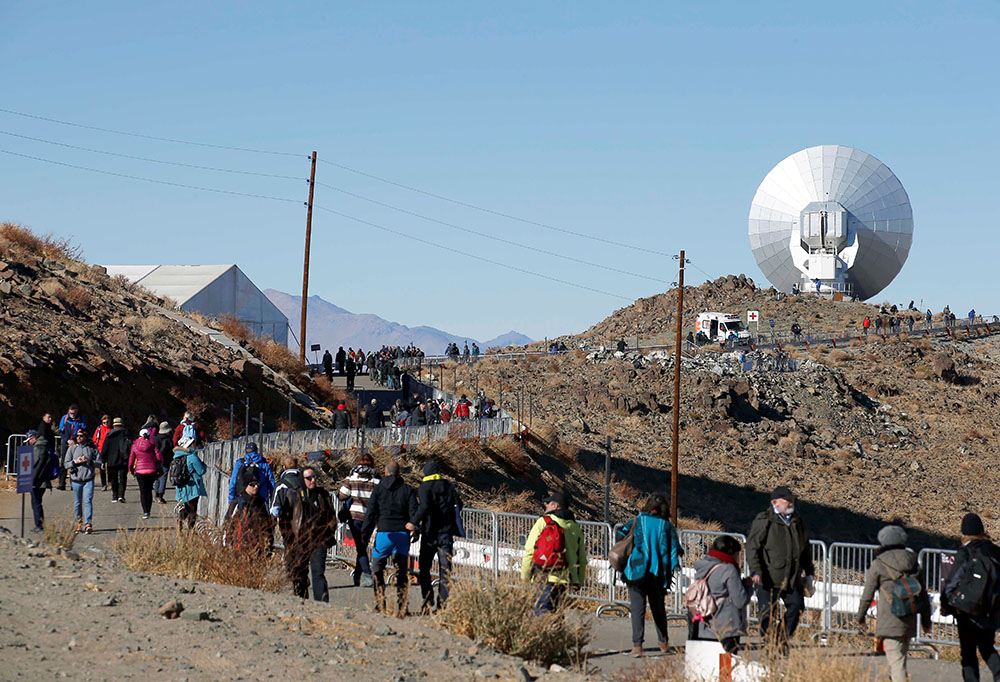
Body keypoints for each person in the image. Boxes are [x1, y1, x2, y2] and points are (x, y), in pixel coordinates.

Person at [854, 525, 931, 682]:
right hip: (909, 618)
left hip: (889, 620)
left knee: (896, 663)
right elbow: (922, 594)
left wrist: (860, 618)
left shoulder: (879, 564)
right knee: (900, 660)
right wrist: (926, 621)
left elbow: (867, 594)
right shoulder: (913, 563)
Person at [745, 485, 815, 649]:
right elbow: (752, 547)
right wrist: (756, 570)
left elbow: (805, 547)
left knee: (797, 607)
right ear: (775, 502)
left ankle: (781, 640)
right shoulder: (765, 521)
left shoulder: (797, 521)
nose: (791, 502)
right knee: (766, 614)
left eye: (792, 499)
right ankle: (770, 643)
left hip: (792, 578)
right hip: (768, 577)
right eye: (787, 500)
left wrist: (809, 571)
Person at [615, 493, 681, 656]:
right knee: (658, 608)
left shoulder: (638, 520)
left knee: (638, 609)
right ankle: (663, 643)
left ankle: (638, 646)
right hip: (658, 574)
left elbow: (621, 533)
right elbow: (675, 550)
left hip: (636, 571)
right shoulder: (667, 526)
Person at [941, 513, 1000, 682]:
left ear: (964, 533)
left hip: (967, 610)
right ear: (982, 530)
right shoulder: (994, 551)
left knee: (968, 652)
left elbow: (953, 581)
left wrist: (946, 604)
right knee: (987, 647)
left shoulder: (967, 551)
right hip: (991, 610)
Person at [407, 460, 463, 612]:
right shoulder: (449, 486)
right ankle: (442, 604)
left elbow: (424, 507)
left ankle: (427, 598)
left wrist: (413, 522)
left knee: (424, 568)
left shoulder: (424, 487)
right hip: (446, 534)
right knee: (445, 570)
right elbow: (460, 504)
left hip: (430, 533)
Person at [362, 460, 417, 614]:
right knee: (402, 571)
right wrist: (415, 528)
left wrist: (365, 534)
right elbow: (414, 511)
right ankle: (402, 606)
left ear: (385, 472)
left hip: (383, 533)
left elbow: (370, 513)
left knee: (378, 569)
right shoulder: (408, 490)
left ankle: (380, 604)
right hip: (402, 534)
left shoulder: (378, 489)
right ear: (399, 473)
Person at [520, 491, 586, 615]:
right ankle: (557, 634)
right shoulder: (575, 527)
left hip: (543, 576)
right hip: (564, 580)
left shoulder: (544, 522)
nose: (546, 506)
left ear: (555, 506)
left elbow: (530, 550)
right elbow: (581, 558)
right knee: (557, 615)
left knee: (543, 615)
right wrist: (578, 581)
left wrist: (525, 576)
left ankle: (547, 634)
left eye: (548, 504)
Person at [282, 466, 337, 601]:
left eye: (314, 477)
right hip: (299, 541)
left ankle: (322, 603)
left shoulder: (322, 495)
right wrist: (289, 540)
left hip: (319, 540)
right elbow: (284, 520)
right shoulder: (293, 495)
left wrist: (328, 533)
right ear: (302, 479)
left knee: (318, 573)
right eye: (309, 478)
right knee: (299, 574)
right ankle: (301, 601)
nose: (313, 480)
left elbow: (331, 516)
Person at [691, 535, 751, 655]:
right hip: (726, 626)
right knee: (725, 669)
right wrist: (748, 585)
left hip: (703, 626)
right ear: (732, 553)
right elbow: (740, 600)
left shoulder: (703, 567)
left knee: (707, 667)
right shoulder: (729, 570)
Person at [338, 453, 380, 587]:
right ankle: (357, 575)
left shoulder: (351, 478)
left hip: (355, 517)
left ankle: (367, 575)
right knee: (362, 546)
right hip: (370, 518)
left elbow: (342, 495)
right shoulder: (376, 480)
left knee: (361, 548)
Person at [224, 477, 273, 555]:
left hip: (259, 548)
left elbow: (269, 526)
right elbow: (228, 524)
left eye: (257, 484)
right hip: (240, 548)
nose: (256, 487)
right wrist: (227, 545)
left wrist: (269, 546)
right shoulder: (237, 503)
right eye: (252, 485)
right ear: (245, 486)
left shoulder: (262, 503)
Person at [64, 428, 100, 534]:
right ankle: (78, 523)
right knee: (77, 503)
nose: (79, 438)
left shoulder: (92, 448)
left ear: (85, 437)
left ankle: (88, 523)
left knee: (88, 501)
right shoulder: (72, 449)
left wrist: (89, 461)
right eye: (77, 436)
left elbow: (100, 462)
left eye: (81, 436)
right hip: (76, 479)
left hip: (88, 479)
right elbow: (66, 464)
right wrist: (75, 462)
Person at [173, 436, 207, 530]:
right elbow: (201, 471)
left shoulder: (177, 457)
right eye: (193, 444)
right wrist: (203, 465)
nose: (195, 446)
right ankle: (190, 532)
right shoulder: (192, 456)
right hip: (192, 488)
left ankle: (180, 525)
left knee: (184, 507)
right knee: (192, 510)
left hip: (181, 487)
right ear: (189, 446)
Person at [228, 442, 276, 507]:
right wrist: (272, 498)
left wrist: (231, 499)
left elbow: (233, 482)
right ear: (257, 450)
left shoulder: (240, 463)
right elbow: (271, 482)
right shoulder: (264, 463)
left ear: (246, 451)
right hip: (261, 498)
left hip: (243, 497)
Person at [128, 428, 163, 519]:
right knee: (149, 490)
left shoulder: (134, 445)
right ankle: (149, 509)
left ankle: (145, 511)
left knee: (142, 491)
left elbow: (131, 461)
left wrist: (132, 470)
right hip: (151, 470)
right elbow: (159, 457)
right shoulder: (152, 444)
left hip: (139, 470)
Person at [100, 417, 132, 503]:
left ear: (114, 426)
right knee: (122, 478)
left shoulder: (109, 435)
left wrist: (103, 461)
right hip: (123, 459)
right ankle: (121, 495)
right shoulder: (126, 434)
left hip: (111, 460)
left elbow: (104, 450)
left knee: (113, 479)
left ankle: (114, 496)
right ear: (122, 425)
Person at [56, 404, 86, 490]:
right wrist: (67, 440)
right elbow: (61, 431)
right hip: (66, 443)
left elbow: (84, 430)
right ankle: (61, 483)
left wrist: (75, 440)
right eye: (71, 413)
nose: (73, 415)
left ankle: (74, 483)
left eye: (74, 413)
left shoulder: (80, 419)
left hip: (76, 444)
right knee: (64, 463)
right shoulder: (64, 418)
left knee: (75, 463)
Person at [25, 430, 48, 532]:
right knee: (38, 503)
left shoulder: (38, 448)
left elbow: (34, 464)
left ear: (34, 437)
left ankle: (39, 526)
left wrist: (31, 479)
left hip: (37, 481)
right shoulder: (44, 446)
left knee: (36, 503)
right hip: (42, 480)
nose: (29, 441)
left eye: (29, 439)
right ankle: (40, 524)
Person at [153, 421, 174, 505]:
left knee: (157, 477)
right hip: (165, 460)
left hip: (156, 460)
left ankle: (156, 494)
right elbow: (171, 450)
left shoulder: (155, 438)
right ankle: (161, 495)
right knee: (163, 477)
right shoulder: (168, 439)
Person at [91, 414, 112, 491]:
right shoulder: (99, 429)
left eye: (107, 422)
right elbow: (94, 439)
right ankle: (104, 484)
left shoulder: (112, 429)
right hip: (100, 450)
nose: (106, 423)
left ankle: (110, 482)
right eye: (104, 422)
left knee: (110, 467)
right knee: (102, 468)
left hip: (110, 451)